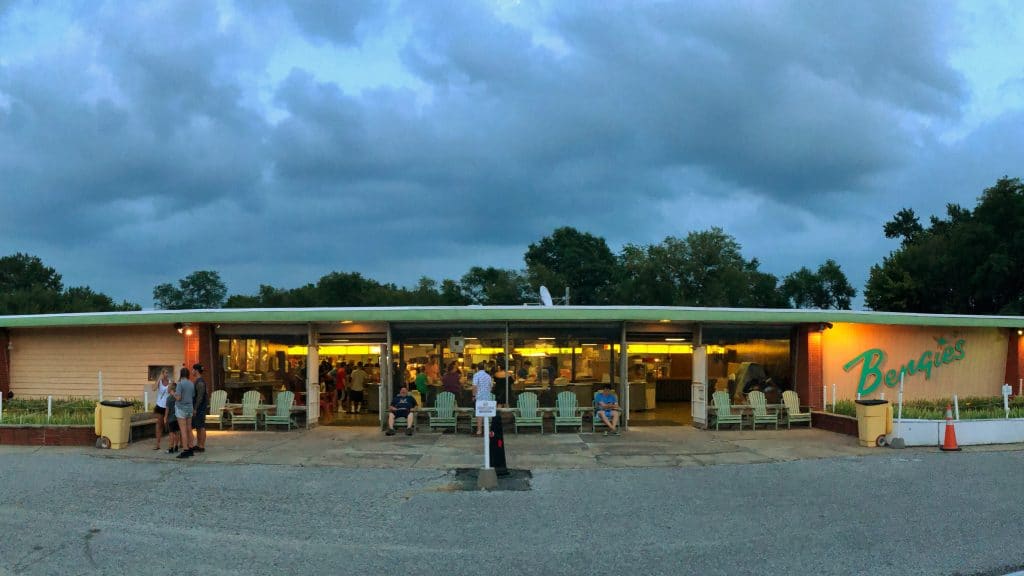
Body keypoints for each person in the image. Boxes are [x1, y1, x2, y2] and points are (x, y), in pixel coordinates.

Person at [173, 367, 196, 458]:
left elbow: (178, 398)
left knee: (183, 430)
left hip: (181, 408)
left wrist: (173, 393)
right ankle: (191, 448)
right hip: (189, 408)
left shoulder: (180, 384)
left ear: (181, 374)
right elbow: (193, 395)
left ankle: (185, 450)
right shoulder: (191, 384)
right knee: (189, 429)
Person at [191, 363, 208, 453]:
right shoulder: (197, 381)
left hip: (200, 408)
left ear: (196, 371)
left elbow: (200, 397)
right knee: (198, 426)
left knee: (201, 426)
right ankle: (198, 444)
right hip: (199, 407)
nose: (192, 371)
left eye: (193, 369)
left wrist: (195, 408)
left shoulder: (200, 382)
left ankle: (201, 446)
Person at [472, 363, 493, 435]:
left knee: (479, 413)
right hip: (487, 396)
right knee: (486, 413)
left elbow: (474, 386)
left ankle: (479, 430)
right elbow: (491, 386)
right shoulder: (488, 376)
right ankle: (487, 429)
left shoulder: (476, 375)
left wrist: (474, 396)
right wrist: (487, 392)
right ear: (484, 368)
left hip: (479, 396)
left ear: (477, 368)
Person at [152, 368, 171, 450]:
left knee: (170, 424)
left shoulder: (170, 382)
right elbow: (153, 389)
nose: (166, 374)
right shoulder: (159, 382)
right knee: (159, 424)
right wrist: (159, 378)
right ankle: (157, 443)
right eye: (165, 373)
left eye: (167, 373)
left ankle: (172, 443)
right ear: (162, 373)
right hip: (160, 405)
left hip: (167, 406)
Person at [164, 380, 181, 454]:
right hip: (178, 417)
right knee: (177, 432)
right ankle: (176, 446)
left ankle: (171, 448)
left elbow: (167, 409)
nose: (167, 389)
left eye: (168, 388)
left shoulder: (169, 398)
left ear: (171, 390)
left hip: (171, 419)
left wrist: (165, 417)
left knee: (171, 433)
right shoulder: (178, 397)